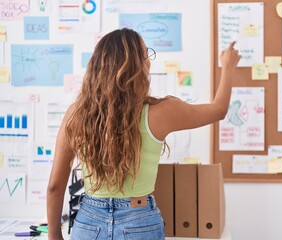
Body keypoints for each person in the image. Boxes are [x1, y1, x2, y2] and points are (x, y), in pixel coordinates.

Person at [46, 28, 241, 240]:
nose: (149, 61)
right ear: (138, 66)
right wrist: (228, 67)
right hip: (140, 222)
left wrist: (54, 235)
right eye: (146, 55)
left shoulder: (76, 114)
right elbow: (219, 110)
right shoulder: (163, 112)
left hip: (88, 222)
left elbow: (55, 186)